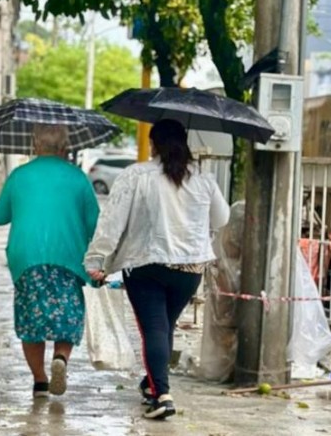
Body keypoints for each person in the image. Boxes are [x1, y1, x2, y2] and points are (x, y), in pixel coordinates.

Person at [85, 119, 230, 420]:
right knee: (164, 327)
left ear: (153, 144)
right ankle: (151, 384)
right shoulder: (203, 178)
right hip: (190, 269)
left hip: (147, 265)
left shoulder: (137, 175)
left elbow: (112, 222)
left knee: (154, 329)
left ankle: (162, 394)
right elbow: (221, 219)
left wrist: (97, 260)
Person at [0, 126, 100, 399]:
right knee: (68, 314)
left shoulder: (19, 175)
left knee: (31, 320)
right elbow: (95, 223)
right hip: (69, 257)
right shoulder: (78, 178)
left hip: (27, 258)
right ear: (65, 148)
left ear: (35, 146)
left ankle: (40, 381)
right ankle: (61, 357)